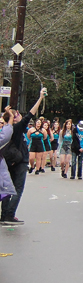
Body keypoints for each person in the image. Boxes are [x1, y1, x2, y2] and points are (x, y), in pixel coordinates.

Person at [0, 88, 48, 225]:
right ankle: (9, 215)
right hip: (19, 162)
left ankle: (4, 215)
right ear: (14, 118)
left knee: (7, 188)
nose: (21, 116)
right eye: (18, 115)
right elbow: (31, 114)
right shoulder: (18, 127)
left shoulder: (7, 129)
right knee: (18, 188)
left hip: (9, 161)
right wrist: (40, 98)